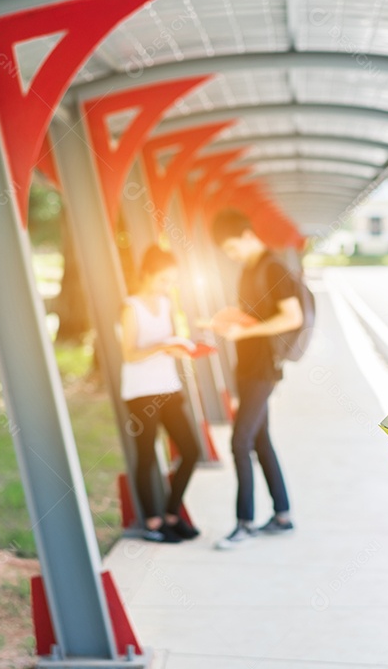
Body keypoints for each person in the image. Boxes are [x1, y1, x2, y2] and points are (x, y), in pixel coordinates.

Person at [209, 209, 303, 550]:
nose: (232, 256)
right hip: (246, 365)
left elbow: (293, 317)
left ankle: (244, 523)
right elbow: (252, 316)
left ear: (248, 235)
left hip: (263, 367)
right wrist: (226, 323)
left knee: (239, 442)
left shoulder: (273, 266)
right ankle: (283, 516)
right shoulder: (250, 268)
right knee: (260, 440)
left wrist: (246, 332)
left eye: (233, 249)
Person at [120, 245, 201, 543]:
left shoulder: (166, 303)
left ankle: (170, 513)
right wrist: (162, 346)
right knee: (147, 456)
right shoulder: (131, 306)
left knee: (191, 451)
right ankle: (153, 524)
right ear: (148, 274)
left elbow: (167, 340)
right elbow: (130, 354)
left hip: (168, 387)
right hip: (141, 392)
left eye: (172, 281)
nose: (168, 286)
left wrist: (179, 348)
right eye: (164, 279)